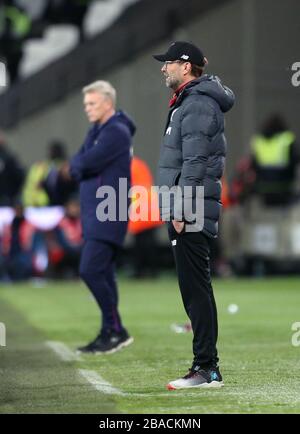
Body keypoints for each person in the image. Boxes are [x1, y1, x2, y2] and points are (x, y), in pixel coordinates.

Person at [154, 41, 234, 389]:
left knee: (196, 289)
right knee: (194, 288)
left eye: (168, 63)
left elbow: (195, 162)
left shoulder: (198, 104)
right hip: (190, 207)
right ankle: (206, 367)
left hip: (191, 209)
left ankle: (206, 369)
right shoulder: (192, 102)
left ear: (186, 67)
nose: (163, 69)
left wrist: (182, 208)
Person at [69, 80, 135, 354]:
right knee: (104, 272)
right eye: (86, 104)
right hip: (97, 210)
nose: (87, 108)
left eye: (92, 103)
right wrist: (79, 166)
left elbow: (84, 163)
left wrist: (80, 166)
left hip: (109, 208)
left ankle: (116, 329)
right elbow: (77, 163)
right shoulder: (97, 130)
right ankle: (111, 331)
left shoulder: (116, 132)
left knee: (90, 269)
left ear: (108, 103)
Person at [250, 114, 298, 205]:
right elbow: (295, 162)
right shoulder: (287, 139)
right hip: (285, 186)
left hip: (262, 188)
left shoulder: (258, 140)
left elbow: (253, 165)